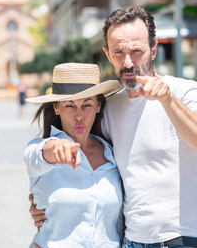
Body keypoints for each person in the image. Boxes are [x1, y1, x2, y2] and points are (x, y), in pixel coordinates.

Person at [30, 6, 197, 248]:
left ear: (153, 50)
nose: (128, 62)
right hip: (132, 241)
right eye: (119, 52)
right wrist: (46, 203)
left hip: (187, 239)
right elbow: (94, 169)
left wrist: (168, 100)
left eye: (136, 51)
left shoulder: (185, 91)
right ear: (107, 54)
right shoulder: (109, 106)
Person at [24, 63, 124, 248]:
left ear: (98, 106)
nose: (79, 116)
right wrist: (57, 148)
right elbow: (38, 155)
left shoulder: (114, 154)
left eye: (87, 105)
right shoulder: (41, 148)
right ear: (56, 107)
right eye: (70, 106)